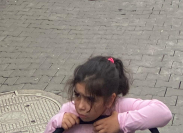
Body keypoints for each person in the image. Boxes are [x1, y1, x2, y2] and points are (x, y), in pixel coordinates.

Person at [44, 56, 172, 133]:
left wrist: (120, 121)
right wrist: (56, 122)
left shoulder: (120, 107)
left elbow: (163, 113)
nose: (81, 106)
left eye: (90, 99)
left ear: (110, 100)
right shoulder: (68, 112)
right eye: (77, 95)